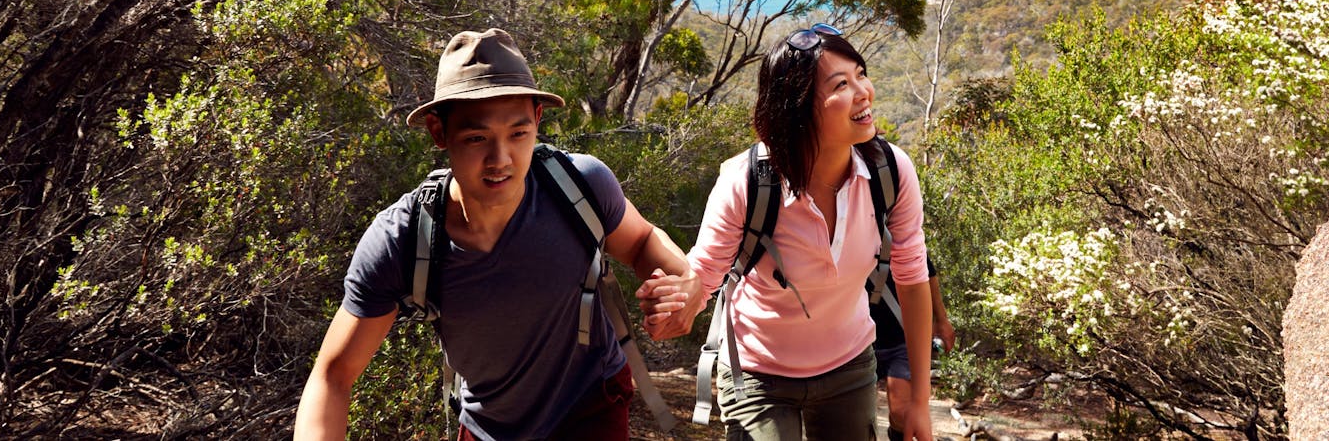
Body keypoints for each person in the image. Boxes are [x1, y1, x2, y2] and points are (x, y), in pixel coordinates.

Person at [294, 28, 701, 441]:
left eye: (518, 134)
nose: (500, 160)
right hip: (489, 427)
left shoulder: (579, 186)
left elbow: (643, 241)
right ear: (439, 132)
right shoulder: (402, 240)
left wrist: (684, 283)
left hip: (590, 404)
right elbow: (334, 375)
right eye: (477, 138)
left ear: (538, 121)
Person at [649, 23, 935, 440]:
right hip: (757, 371)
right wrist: (680, 302)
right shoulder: (747, 181)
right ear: (798, 107)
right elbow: (704, 273)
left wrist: (919, 404)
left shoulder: (890, 172)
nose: (863, 92)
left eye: (861, 73)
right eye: (841, 84)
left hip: (849, 365)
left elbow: (912, 280)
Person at [872, 261, 956, 441]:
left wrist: (941, 319)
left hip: (903, 334)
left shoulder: (900, 233)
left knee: (902, 415)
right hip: (856, 340)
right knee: (853, 420)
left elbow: (925, 272)